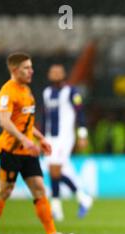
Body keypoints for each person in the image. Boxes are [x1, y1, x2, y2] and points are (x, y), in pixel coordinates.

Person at [0, 52, 74, 234]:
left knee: (39, 188)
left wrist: (39, 138)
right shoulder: (7, 92)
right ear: (14, 70)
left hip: (27, 151)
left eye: (31, 67)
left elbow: (25, 123)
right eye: (26, 68)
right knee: (4, 191)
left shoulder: (26, 91)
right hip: (11, 149)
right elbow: (5, 122)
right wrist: (25, 141)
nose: (31, 71)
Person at [42, 64, 93, 221]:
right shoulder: (47, 93)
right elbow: (45, 117)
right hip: (50, 137)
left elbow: (80, 113)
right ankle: (83, 198)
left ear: (64, 74)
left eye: (58, 71)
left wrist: (82, 135)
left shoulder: (71, 92)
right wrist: (42, 138)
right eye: (52, 71)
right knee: (53, 171)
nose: (55, 73)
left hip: (65, 137)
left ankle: (56, 208)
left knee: (55, 169)